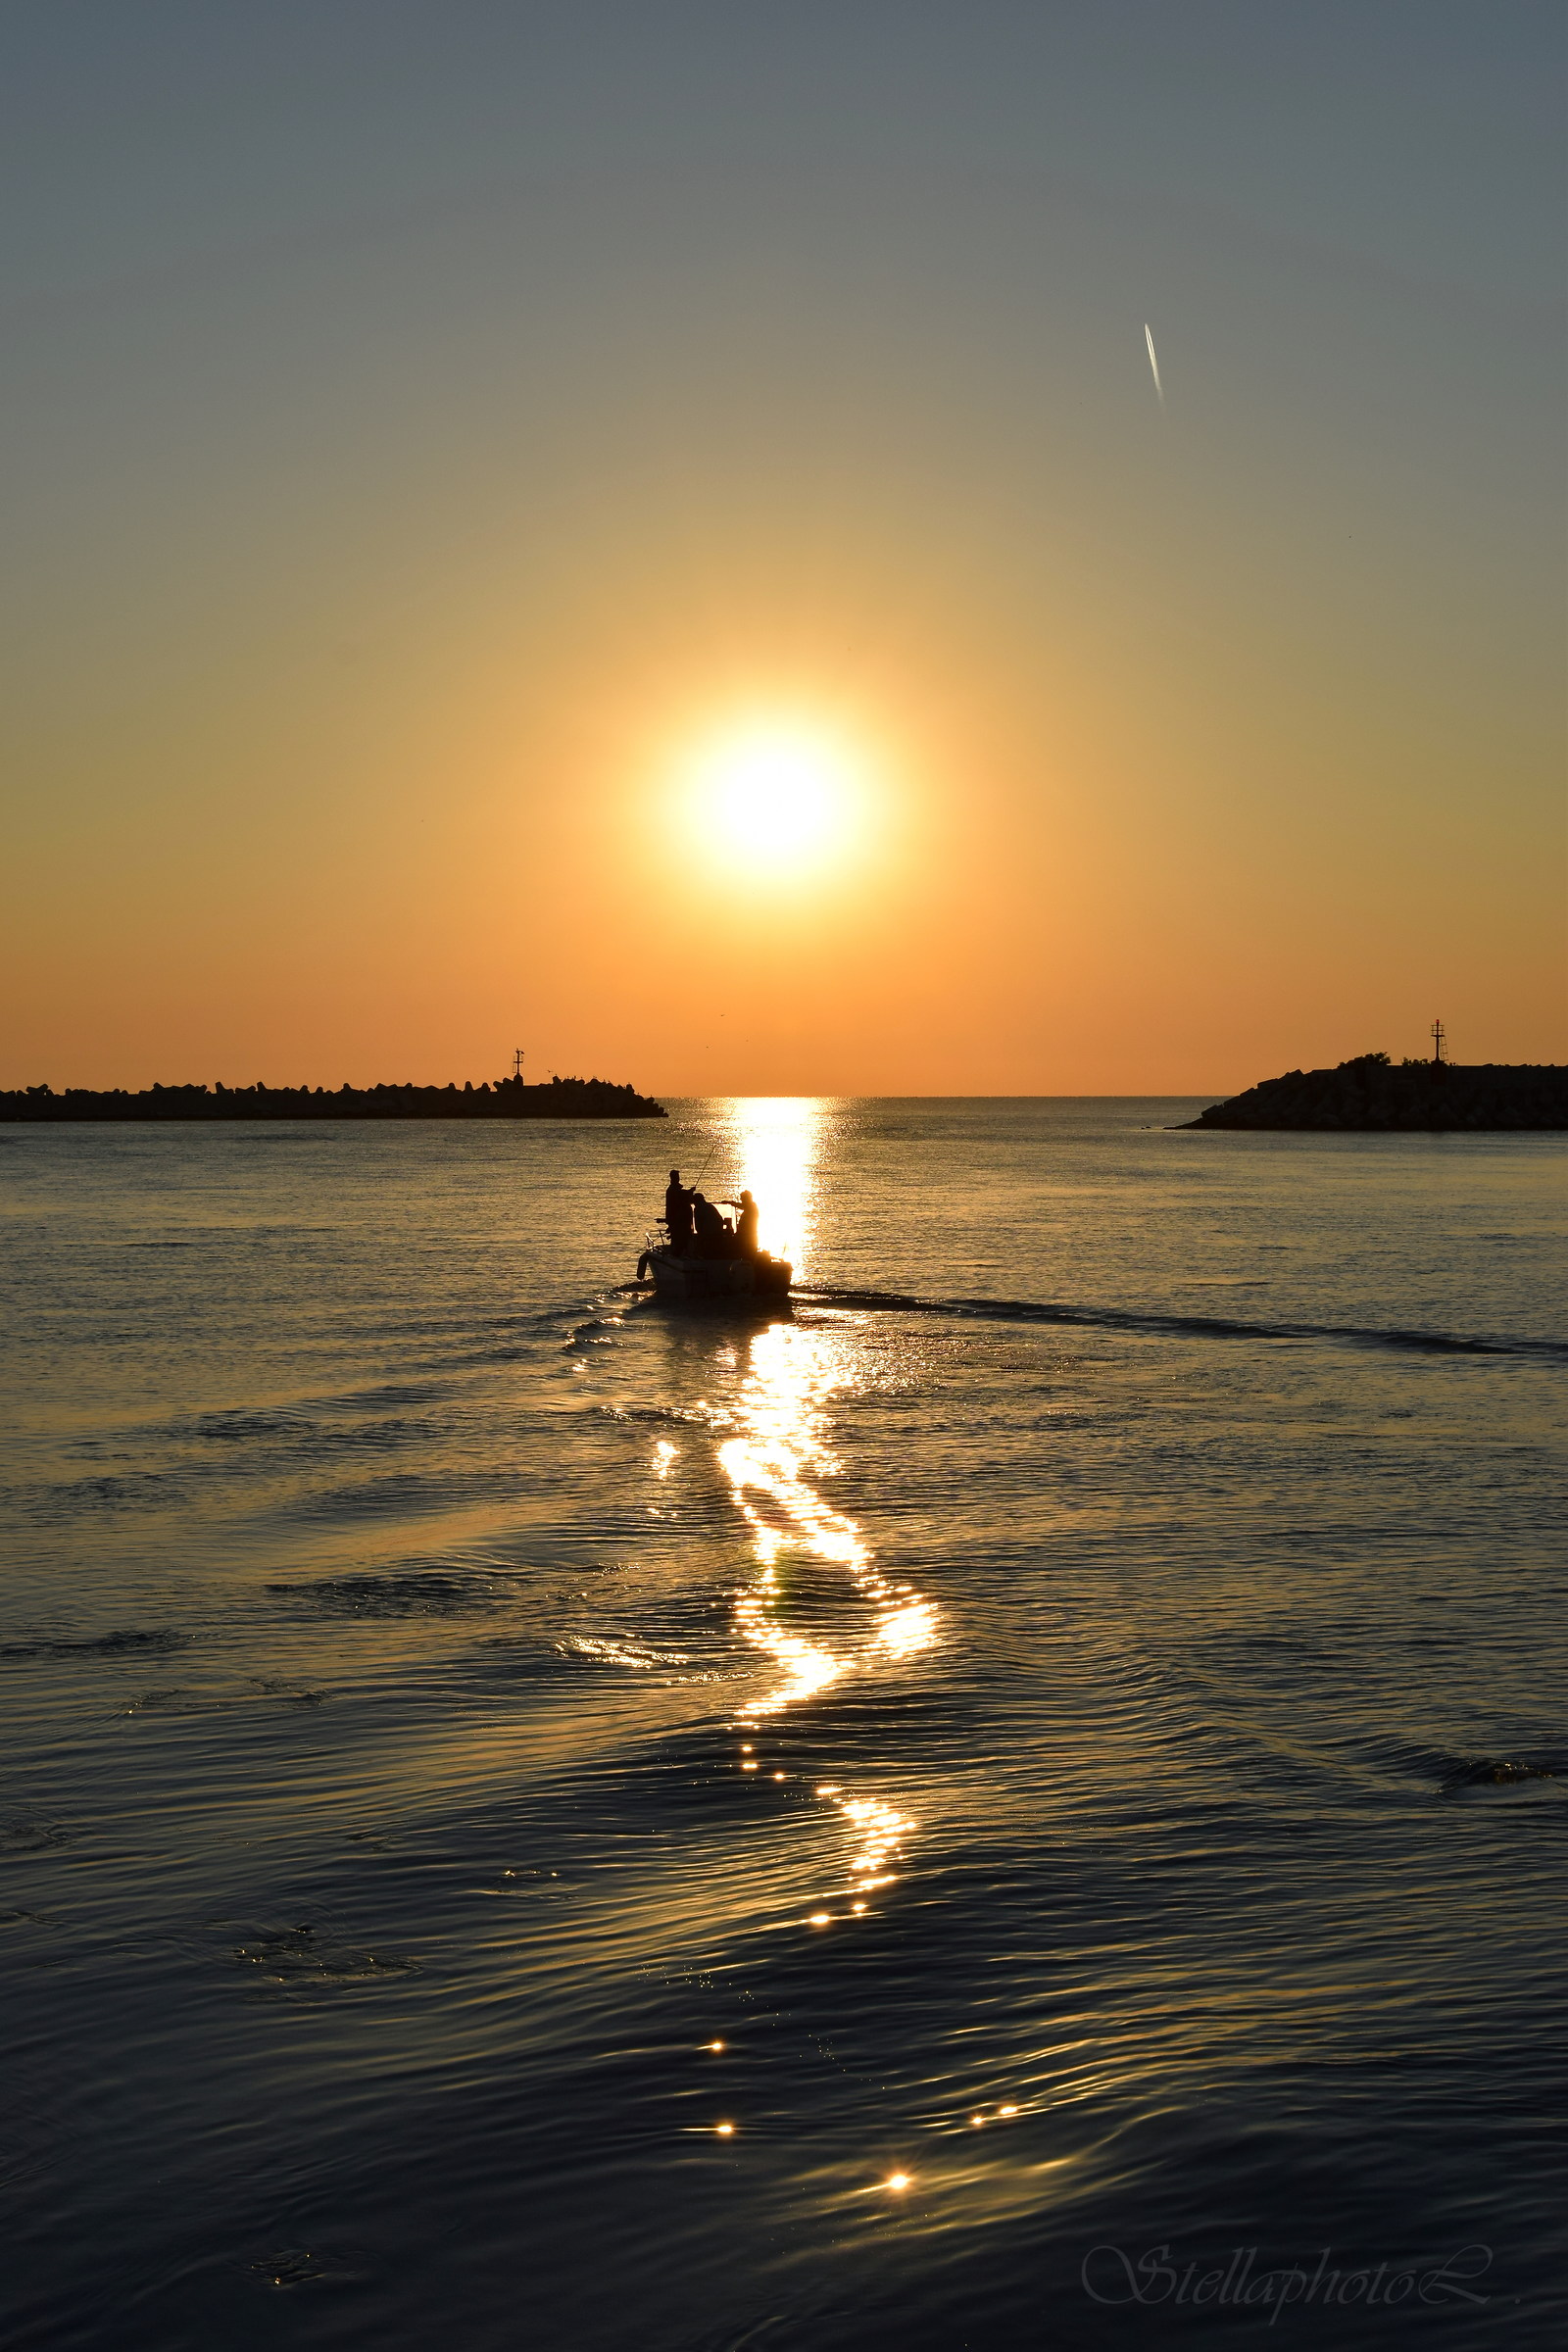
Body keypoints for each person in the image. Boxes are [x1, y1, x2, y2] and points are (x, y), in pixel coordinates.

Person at [663, 1169, 694, 1255]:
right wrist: (690, 1192)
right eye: (677, 1177)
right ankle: (678, 1255)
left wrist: (689, 1191)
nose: (678, 1178)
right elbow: (682, 1198)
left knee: (679, 1239)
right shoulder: (673, 1190)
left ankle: (679, 1253)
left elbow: (683, 1195)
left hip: (676, 1220)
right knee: (679, 1239)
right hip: (678, 1220)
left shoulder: (673, 1189)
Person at [691, 1192, 730, 1256]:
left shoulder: (698, 1208)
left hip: (708, 1234)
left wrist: (700, 1236)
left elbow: (698, 1226)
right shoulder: (710, 1206)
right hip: (718, 1232)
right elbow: (720, 1219)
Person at [725, 1190, 760, 1256]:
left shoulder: (751, 1206)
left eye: (742, 1198)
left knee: (748, 1253)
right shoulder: (750, 1206)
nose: (741, 1199)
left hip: (748, 1236)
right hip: (746, 1235)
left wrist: (731, 1203)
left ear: (747, 1198)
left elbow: (742, 1206)